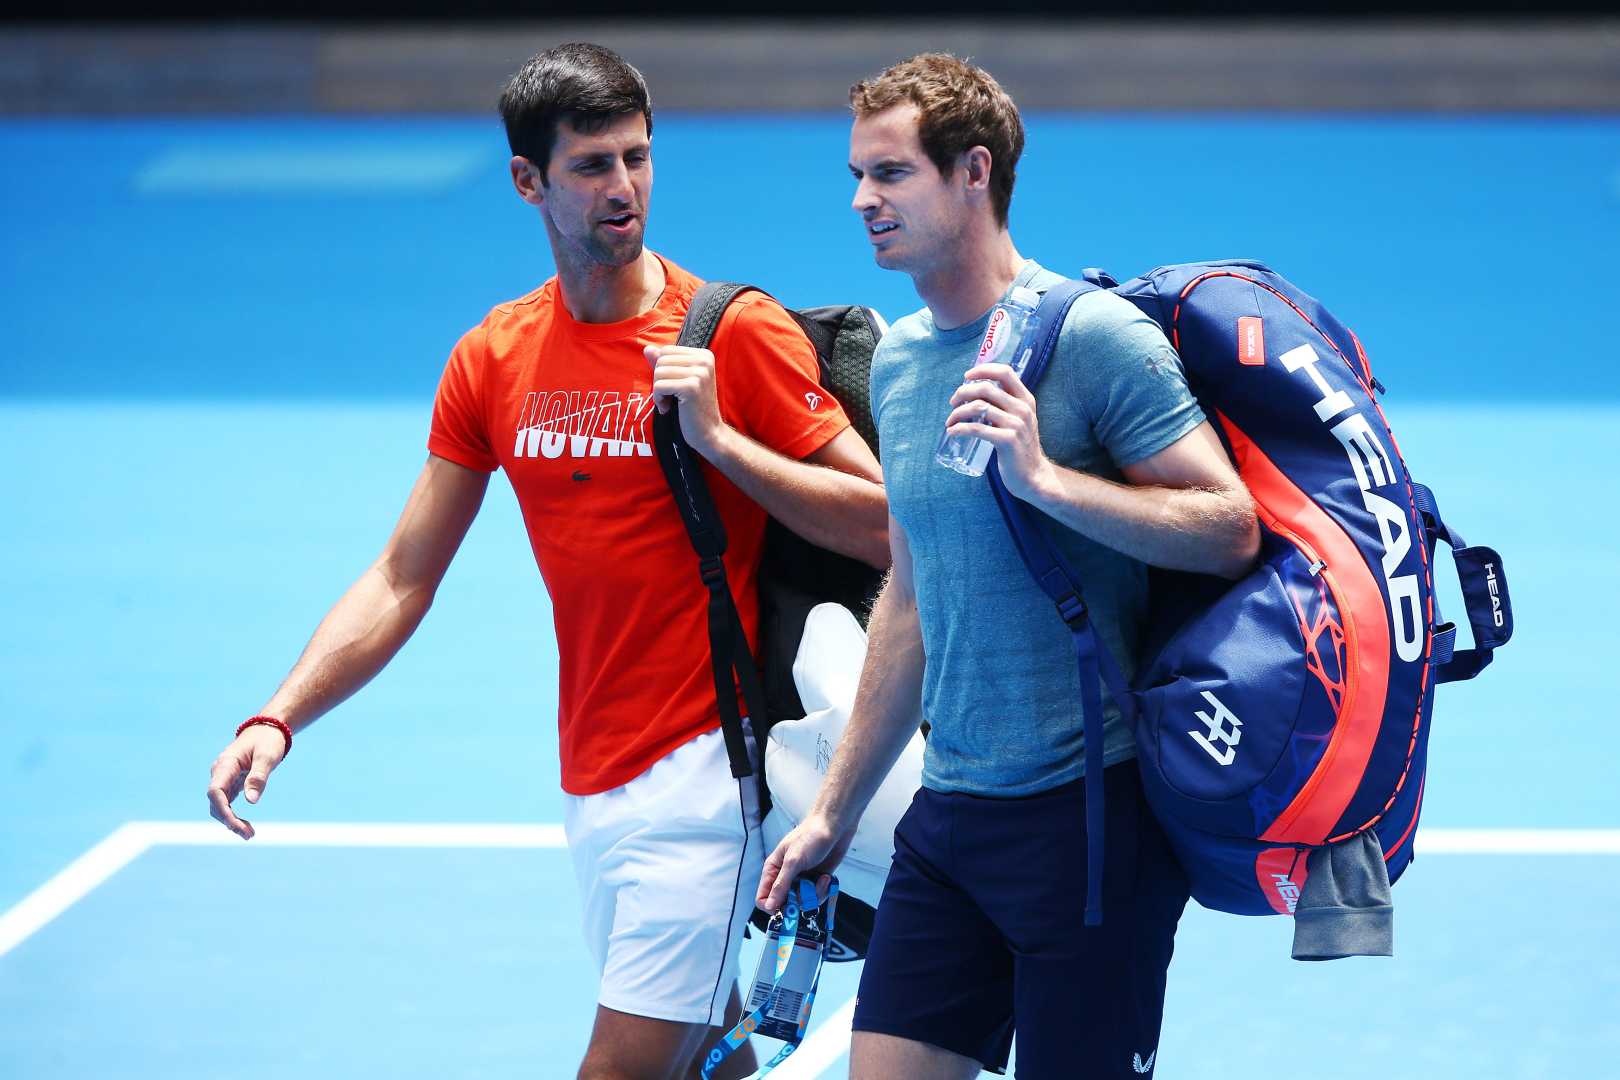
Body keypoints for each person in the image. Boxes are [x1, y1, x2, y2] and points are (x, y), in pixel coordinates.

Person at [204, 43, 889, 1080]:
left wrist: (723, 442)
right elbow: (403, 574)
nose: (624, 188)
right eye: (591, 166)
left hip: (711, 771)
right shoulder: (495, 357)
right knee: (713, 1053)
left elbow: (890, 524)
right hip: (593, 772)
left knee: (617, 1067)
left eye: (638, 158)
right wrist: (280, 713)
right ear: (528, 180)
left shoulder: (729, 336)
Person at [758, 54, 1260, 1078]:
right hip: (950, 823)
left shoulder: (1093, 338)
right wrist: (832, 813)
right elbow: (912, 593)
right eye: (857, 176)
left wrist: (1047, 480)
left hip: (1090, 827)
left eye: (890, 174)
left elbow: (1228, 526)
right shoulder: (897, 363)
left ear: (973, 172)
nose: (862, 200)